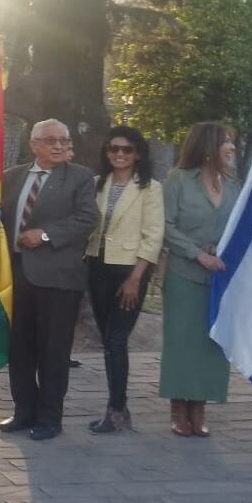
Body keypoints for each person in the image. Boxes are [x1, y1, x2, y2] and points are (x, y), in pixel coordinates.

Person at [0, 119, 99, 441]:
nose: (58, 146)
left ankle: (49, 418)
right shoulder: (11, 177)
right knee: (20, 348)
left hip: (58, 278)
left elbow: (87, 219)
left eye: (63, 140)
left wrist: (43, 234)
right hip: (14, 275)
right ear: (34, 144)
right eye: (51, 140)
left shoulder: (80, 178)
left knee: (53, 351)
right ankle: (23, 410)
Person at [159, 122, 240, 438]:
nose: (232, 147)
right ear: (208, 147)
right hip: (184, 272)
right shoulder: (178, 181)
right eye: (226, 141)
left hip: (221, 277)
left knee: (211, 343)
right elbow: (166, 225)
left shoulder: (234, 186)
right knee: (182, 343)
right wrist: (197, 253)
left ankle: (199, 408)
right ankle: (179, 408)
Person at [84, 126, 164, 434]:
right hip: (98, 266)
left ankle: (117, 409)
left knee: (117, 339)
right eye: (113, 149)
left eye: (126, 150)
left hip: (130, 270)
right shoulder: (96, 184)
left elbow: (153, 235)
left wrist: (135, 278)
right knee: (108, 341)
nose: (119, 154)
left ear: (138, 154)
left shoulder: (150, 188)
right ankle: (117, 407)